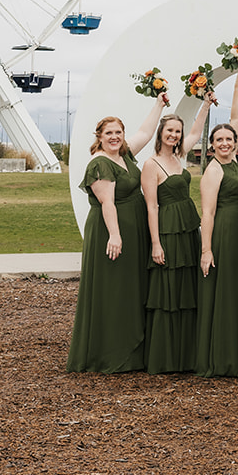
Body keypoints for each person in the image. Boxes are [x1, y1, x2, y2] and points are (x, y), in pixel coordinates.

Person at [66, 96, 172, 373]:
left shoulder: (124, 155)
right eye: (108, 133)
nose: (114, 137)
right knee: (115, 288)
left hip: (135, 228)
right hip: (112, 230)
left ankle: (134, 348)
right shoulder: (100, 163)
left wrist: (160, 105)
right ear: (99, 137)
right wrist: (115, 235)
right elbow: (107, 203)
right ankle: (112, 352)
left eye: (118, 132)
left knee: (133, 286)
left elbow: (146, 133)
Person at [139, 95, 216, 374]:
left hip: (188, 230)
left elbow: (196, 132)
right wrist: (156, 244)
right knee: (169, 292)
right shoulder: (151, 165)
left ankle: (188, 355)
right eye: (170, 130)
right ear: (160, 133)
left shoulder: (179, 157)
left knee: (187, 290)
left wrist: (206, 105)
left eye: (177, 132)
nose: (175, 135)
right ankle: (166, 357)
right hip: (168, 232)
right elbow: (151, 206)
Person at [195, 71, 238, 378]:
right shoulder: (214, 171)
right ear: (212, 145)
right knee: (226, 294)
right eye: (219, 140)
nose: (226, 143)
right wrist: (206, 250)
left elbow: (237, 116)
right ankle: (223, 357)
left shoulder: (235, 163)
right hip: (225, 235)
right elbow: (208, 214)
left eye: (230, 139)